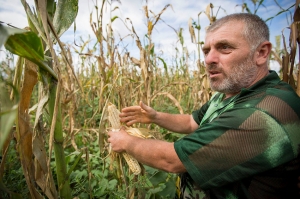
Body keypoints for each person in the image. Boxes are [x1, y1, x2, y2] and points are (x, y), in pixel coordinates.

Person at [108, 13, 300, 198]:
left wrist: (125, 142)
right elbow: (193, 122)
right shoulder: (232, 93)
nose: (209, 60)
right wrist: (156, 117)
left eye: (224, 47)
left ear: (261, 53)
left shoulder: (264, 113)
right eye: (207, 51)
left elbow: (172, 160)